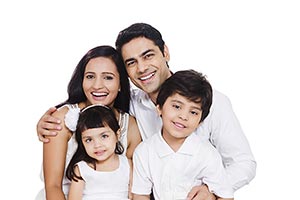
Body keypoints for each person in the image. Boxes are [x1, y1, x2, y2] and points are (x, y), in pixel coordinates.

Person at [37, 23, 256, 199]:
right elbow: (95, 110)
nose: (142, 68)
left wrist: (211, 189)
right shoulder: (129, 106)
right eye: (131, 62)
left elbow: (244, 163)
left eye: (148, 55)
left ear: (165, 52)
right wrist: (54, 118)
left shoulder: (213, 102)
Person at [35, 45, 141, 200]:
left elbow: (135, 185)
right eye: (90, 76)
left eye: (108, 77)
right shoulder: (62, 118)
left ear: (120, 84)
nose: (97, 85)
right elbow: (53, 186)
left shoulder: (129, 125)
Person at [132, 70, 233, 200]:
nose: (183, 116)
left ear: (200, 121)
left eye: (193, 112)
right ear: (159, 108)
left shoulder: (207, 154)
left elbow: (225, 196)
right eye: (177, 106)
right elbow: (140, 195)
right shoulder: (144, 152)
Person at [66, 104, 131, 200]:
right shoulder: (82, 169)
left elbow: (134, 195)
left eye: (104, 136)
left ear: (117, 135)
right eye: (89, 140)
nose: (97, 145)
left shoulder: (128, 164)